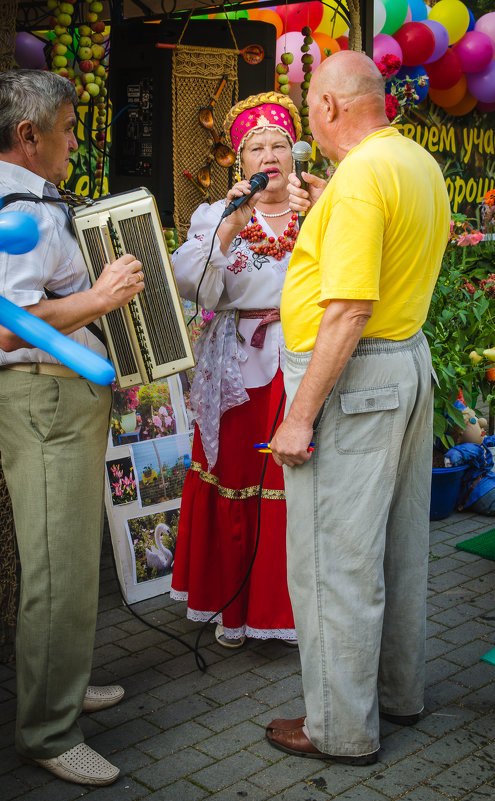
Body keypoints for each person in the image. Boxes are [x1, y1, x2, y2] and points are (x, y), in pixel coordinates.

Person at [265, 51, 451, 764]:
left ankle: (339, 728)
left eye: (309, 101)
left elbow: (345, 308)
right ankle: (396, 696)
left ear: (330, 107)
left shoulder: (360, 179)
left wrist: (299, 415)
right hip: (403, 361)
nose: (307, 114)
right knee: (398, 550)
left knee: (334, 561)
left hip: (351, 375)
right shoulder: (409, 159)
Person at [0, 69, 145, 786]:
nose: (74, 140)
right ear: (29, 136)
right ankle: (50, 730)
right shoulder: (10, 202)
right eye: (67, 127)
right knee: (57, 570)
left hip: (61, 399)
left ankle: (64, 680)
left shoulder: (29, 196)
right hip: (43, 399)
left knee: (69, 558)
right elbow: (6, 325)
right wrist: (100, 295)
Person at [169, 92, 300, 648]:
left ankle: (288, 612)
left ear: (296, 155)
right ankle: (233, 609)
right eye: (256, 148)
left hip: (299, 362)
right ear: (240, 162)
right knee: (238, 482)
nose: (268, 156)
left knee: (293, 486)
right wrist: (226, 228)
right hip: (238, 363)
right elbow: (187, 282)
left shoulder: (317, 207)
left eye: (279, 146)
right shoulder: (216, 214)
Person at [444, 403, 495, 516]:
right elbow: (460, 452)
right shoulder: (472, 447)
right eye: (473, 421)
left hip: (486, 490)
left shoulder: (477, 445)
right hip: (488, 488)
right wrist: (451, 459)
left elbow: (490, 440)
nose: (481, 423)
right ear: (460, 433)